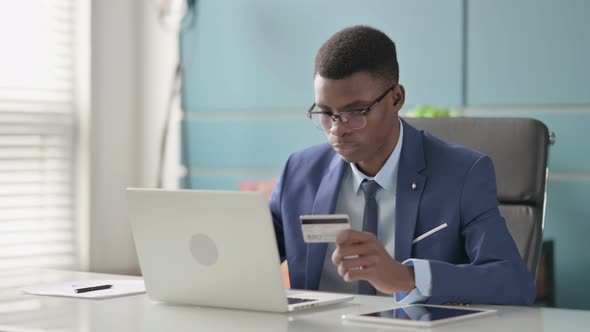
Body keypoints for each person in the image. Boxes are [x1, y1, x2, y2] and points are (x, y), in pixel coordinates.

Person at [269, 25, 536, 305]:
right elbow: (247, 257)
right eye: (325, 113)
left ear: (396, 98)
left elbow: (514, 284)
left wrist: (408, 277)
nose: (337, 129)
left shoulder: (463, 173)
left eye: (355, 112)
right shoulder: (299, 172)